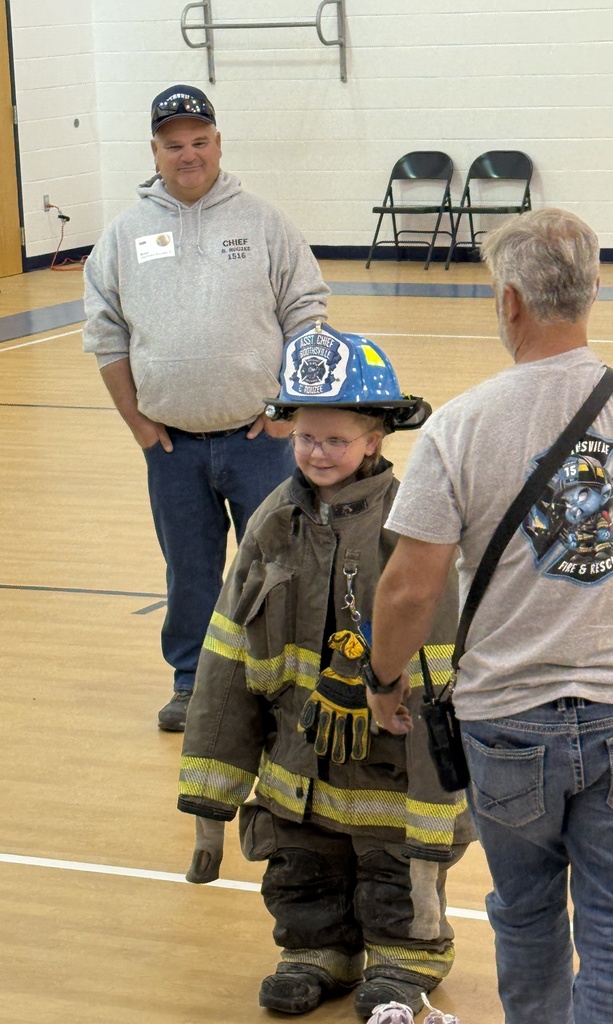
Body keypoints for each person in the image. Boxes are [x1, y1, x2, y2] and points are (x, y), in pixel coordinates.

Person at [363, 209, 613, 1023]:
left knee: (525, 917)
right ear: (591, 292)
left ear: (511, 301)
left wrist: (383, 681)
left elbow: (409, 589)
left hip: (507, 723)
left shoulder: (460, 425)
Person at [177, 322, 476, 1018]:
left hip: (392, 762)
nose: (317, 451)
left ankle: (405, 958)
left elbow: (438, 668)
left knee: (391, 863)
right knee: (300, 861)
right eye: (305, 436)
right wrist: (211, 799)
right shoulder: (272, 523)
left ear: (375, 438)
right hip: (295, 760)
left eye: (335, 439)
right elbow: (227, 658)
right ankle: (316, 952)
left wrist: (440, 796)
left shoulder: (412, 524)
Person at [83, 84, 329, 731]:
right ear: (155, 151)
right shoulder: (124, 234)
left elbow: (307, 312)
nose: (187, 154)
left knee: (279, 569)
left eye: (199, 141)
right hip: (172, 449)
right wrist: (138, 424)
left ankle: (283, 683)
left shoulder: (265, 222)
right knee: (189, 572)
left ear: (218, 143)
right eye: (174, 145)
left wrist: (289, 407)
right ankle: (192, 682)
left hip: (260, 442)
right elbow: (105, 333)